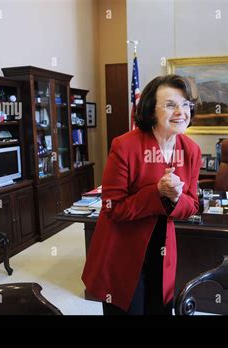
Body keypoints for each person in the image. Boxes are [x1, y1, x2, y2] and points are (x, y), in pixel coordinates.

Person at [82, 74, 201, 315]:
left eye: (186, 104)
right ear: (150, 110)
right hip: (122, 251)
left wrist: (177, 198)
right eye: (170, 105)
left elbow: (193, 205)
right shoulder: (125, 146)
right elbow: (113, 208)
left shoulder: (191, 150)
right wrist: (157, 192)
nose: (181, 112)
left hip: (163, 249)